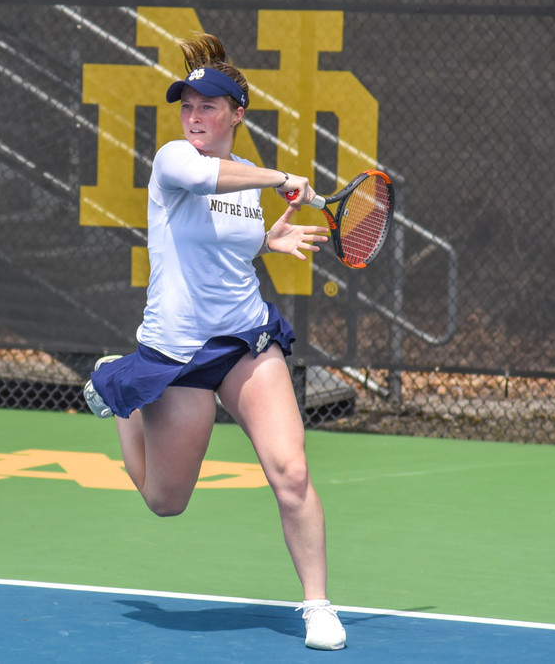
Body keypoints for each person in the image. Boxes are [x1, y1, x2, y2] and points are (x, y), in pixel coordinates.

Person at [83, 33, 346, 651]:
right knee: (165, 502)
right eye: (187, 106)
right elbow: (205, 183)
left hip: (247, 341)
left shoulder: (247, 186)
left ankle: (318, 606)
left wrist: (267, 243)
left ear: (236, 114)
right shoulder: (177, 160)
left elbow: (222, 241)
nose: (194, 117)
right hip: (178, 353)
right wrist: (282, 176)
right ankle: (118, 386)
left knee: (292, 471)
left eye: (207, 107)